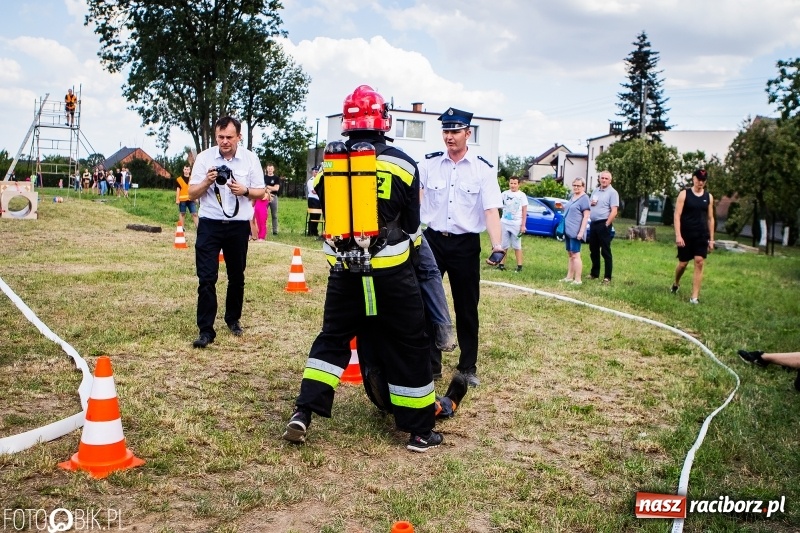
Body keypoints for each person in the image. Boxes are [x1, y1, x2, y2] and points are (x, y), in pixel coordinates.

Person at [283, 85, 442, 452]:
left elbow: (320, 211)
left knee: (332, 340)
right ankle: (419, 431)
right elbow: (415, 224)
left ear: (347, 124)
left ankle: (303, 412)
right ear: (383, 121)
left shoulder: (329, 167)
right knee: (409, 343)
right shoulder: (403, 163)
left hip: (344, 271)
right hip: (391, 273)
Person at [419, 107, 503, 387]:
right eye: (446, 131)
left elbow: (491, 211)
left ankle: (467, 367)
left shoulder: (483, 169)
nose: (449, 136)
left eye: (455, 131)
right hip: (431, 242)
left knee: (467, 306)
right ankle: (430, 364)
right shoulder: (428, 164)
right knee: (425, 303)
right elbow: (416, 201)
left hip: (466, 244)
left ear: (469, 133)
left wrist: (498, 245)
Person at [188, 116, 265, 349]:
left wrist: (244, 190)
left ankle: (233, 319)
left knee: (237, 276)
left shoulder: (250, 159)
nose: (224, 142)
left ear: (239, 137)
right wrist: (206, 182)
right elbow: (192, 194)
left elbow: (261, 192)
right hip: (210, 223)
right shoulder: (204, 158)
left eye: (229, 137)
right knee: (206, 278)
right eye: (220, 137)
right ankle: (206, 330)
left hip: (238, 226)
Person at [671, 168, 714, 304]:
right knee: (683, 264)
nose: (700, 182)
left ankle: (694, 297)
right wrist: (678, 235)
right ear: (693, 179)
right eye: (698, 179)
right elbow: (677, 215)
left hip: (701, 235)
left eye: (703, 180)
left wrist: (711, 239)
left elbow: (710, 218)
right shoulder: (684, 194)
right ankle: (676, 283)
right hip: (685, 234)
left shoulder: (709, 197)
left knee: (699, 262)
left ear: (705, 182)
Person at [588, 170, 619, 284]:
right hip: (594, 223)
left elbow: (614, 210)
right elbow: (590, 203)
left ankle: (607, 277)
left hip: (604, 223)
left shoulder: (612, 193)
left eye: (606, 178)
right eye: (602, 178)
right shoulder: (596, 190)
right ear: (599, 179)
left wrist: (607, 224)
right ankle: (594, 273)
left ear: (610, 180)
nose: (604, 180)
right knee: (593, 249)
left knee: (605, 251)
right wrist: (591, 204)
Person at [561, 178, 591, 284]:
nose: (576, 187)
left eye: (578, 185)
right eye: (574, 185)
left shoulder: (585, 198)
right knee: (570, 254)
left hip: (576, 231)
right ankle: (569, 277)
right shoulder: (572, 196)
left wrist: (581, 232)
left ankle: (578, 279)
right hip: (568, 230)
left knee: (576, 255)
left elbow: (586, 216)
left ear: (583, 186)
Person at [496, 176, 527, 272]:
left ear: (518, 184)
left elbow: (524, 210)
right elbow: (498, 206)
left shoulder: (522, 195)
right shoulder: (504, 194)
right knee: (504, 245)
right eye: (511, 183)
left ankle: (519, 266)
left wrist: (523, 225)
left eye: (515, 183)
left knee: (517, 246)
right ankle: (501, 264)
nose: (513, 185)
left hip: (516, 224)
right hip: (505, 222)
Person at [264, 163, 280, 235]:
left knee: (274, 215)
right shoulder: (263, 178)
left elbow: (276, 188)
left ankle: (275, 231)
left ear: (273, 169)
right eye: (269, 168)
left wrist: (267, 187)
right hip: (265, 197)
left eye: (271, 169)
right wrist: (269, 188)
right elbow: (262, 188)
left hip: (274, 197)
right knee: (264, 214)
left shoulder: (276, 178)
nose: (270, 170)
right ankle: (263, 230)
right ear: (267, 169)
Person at [306, 165, 322, 237]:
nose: (316, 173)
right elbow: (314, 191)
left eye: (317, 171)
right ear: (313, 172)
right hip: (313, 200)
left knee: (318, 217)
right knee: (313, 216)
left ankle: (315, 231)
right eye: (315, 171)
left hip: (319, 200)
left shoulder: (319, 180)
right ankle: (310, 231)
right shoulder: (311, 181)